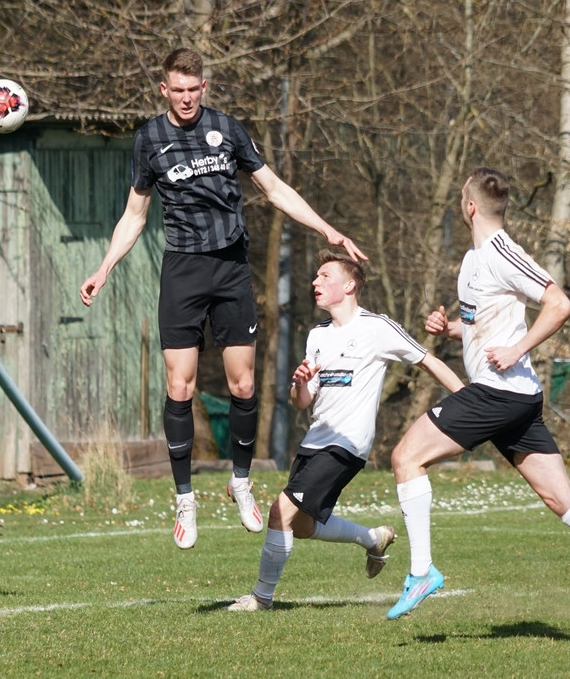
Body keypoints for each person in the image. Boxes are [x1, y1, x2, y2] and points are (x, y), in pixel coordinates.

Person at [79, 47, 367, 550]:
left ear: (204, 88)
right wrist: (104, 268)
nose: (186, 98)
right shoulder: (149, 139)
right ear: (164, 89)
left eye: (194, 89)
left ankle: (240, 482)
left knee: (243, 383)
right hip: (183, 270)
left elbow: (274, 188)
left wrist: (327, 229)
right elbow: (134, 215)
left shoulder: (227, 129)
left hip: (231, 266)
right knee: (180, 386)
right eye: (178, 90)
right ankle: (184, 498)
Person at [228, 250, 464, 611]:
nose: (315, 282)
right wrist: (300, 384)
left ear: (350, 285)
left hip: (346, 445)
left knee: (280, 512)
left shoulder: (377, 328)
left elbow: (427, 361)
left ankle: (261, 598)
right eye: (316, 277)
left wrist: (469, 399)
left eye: (325, 276)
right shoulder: (317, 335)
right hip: (314, 442)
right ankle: (373, 538)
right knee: (301, 526)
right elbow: (301, 402)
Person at [387, 166, 570, 620]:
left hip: (498, 393)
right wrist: (449, 329)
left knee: (406, 457)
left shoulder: (503, 252)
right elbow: (482, 323)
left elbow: (559, 303)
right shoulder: (473, 259)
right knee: (560, 501)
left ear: (470, 207)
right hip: (512, 397)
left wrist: (518, 349)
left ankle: (421, 571)